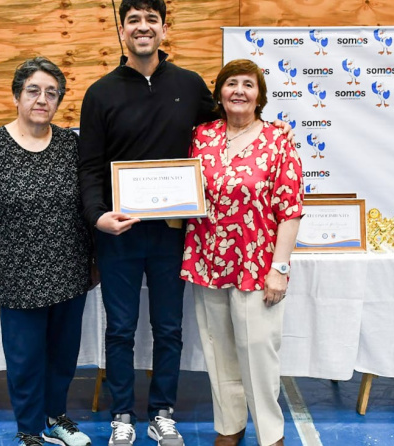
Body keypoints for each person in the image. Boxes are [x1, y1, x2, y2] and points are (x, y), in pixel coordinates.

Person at [79, 2, 294, 444]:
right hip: (118, 234)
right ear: (123, 30)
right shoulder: (100, 93)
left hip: (174, 235)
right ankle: (122, 414)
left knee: (169, 329)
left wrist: (275, 133)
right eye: (134, 21)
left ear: (163, 28)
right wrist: (98, 216)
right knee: (119, 329)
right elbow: (89, 167)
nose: (143, 28)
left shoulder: (190, 85)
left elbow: (232, 130)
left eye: (151, 20)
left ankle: (162, 411)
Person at [0, 57, 92, 446]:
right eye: (33, 90)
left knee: (63, 354)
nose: (42, 99)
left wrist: (95, 261)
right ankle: (29, 430)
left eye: (51, 93)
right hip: (19, 272)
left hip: (70, 268)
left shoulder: (72, 145)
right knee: (24, 358)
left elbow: (89, 205)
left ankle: (57, 418)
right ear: (17, 96)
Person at [180, 59, 304, 446]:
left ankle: (270, 434)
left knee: (258, 353)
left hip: (257, 264)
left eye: (248, 85)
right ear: (219, 93)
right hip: (208, 260)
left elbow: (290, 210)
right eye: (231, 83)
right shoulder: (202, 136)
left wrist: (279, 268)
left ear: (259, 96)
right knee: (219, 353)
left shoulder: (278, 140)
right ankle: (229, 427)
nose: (238, 91)